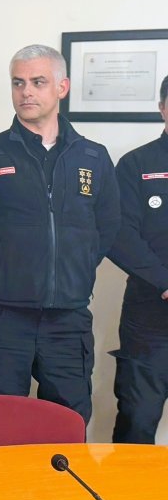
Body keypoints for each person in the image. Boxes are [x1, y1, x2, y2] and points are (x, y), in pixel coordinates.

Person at [0, 44, 120, 423]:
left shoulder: (93, 157)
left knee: (67, 424)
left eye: (38, 82)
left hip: (68, 320)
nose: (26, 92)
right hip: (3, 318)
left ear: (62, 87)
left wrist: (73, 268)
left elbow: (107, 227)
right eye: (18, 83)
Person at [107, 75, 168, 443]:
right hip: (151, 318)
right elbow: (118, 234)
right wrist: (164, 282)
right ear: (162, 108)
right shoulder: (136, 164)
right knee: (137, 420)